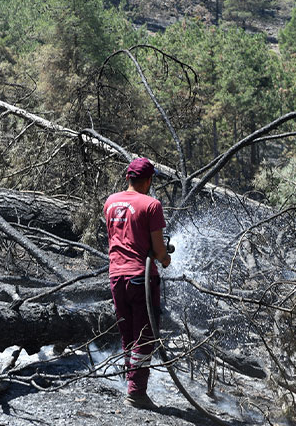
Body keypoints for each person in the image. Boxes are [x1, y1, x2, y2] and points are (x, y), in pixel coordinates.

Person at [103, 157, 171, 409]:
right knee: (145, 336)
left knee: (129, 333)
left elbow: (123, 238)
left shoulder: (110, 202)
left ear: (128, 178)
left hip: (116, 277)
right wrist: (165, 259)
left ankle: (131, 385)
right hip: (140, 278)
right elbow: (158, 250)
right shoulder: (152, 205)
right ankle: (136, 393)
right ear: (149, 180)